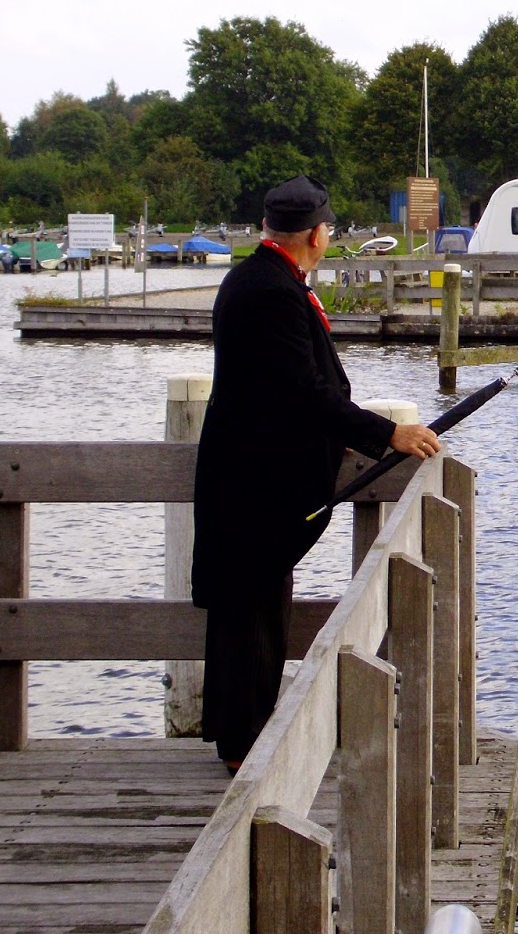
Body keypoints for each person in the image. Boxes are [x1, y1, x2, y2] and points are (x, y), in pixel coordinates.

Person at [192, 175, 441, 771]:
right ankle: (243, 749)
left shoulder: (260, 279)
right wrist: (386, 433)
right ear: (315, 234)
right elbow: (301, 391)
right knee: (249, 606)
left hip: (250, 474)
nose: (329, 234)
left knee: (257, 601)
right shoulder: (271, 292)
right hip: (252, 481)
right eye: (328, 226)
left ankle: (242, 737)